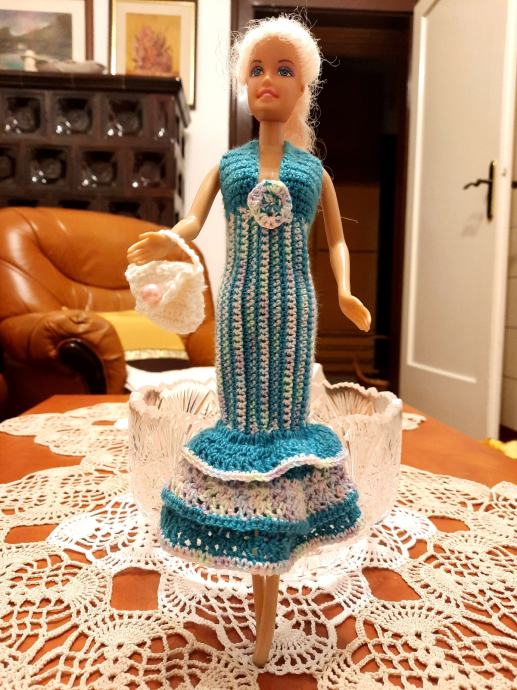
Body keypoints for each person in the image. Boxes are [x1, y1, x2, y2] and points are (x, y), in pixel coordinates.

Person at [127, 13, 371, 666]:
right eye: (258, 68)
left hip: (294, 311)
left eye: (283, 70)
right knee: (241, 419)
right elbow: (192, 218)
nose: (269, 80)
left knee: (284, 422)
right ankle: (254, 563)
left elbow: (336, 241)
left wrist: (346, 292)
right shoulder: (230, 165)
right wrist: (170, 238)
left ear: (303, 86)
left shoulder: (311, 171)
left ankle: (276, 565)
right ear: (243, 82)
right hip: (236, 312)